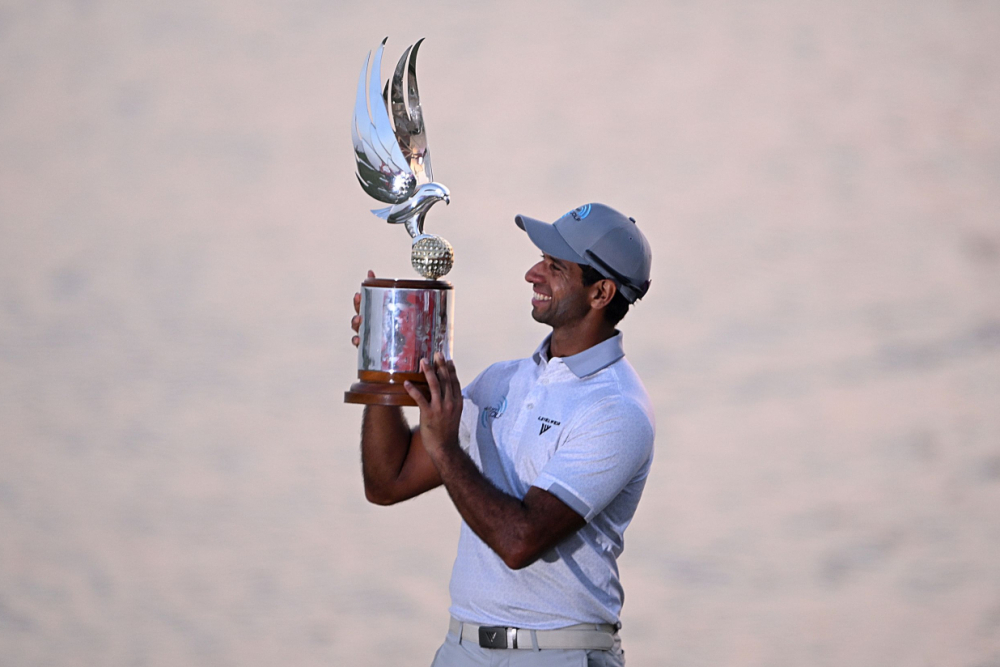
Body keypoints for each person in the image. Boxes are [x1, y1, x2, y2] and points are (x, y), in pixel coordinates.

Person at [351, 203, 655, 666]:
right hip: (461, 649)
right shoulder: (501, 380)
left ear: (601, 293)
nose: (533, 274)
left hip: (558, 654)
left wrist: (447, 447)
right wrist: (384, 360)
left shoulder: (617, 410)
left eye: (555, 267)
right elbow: (387, 482)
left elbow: (520, 542)